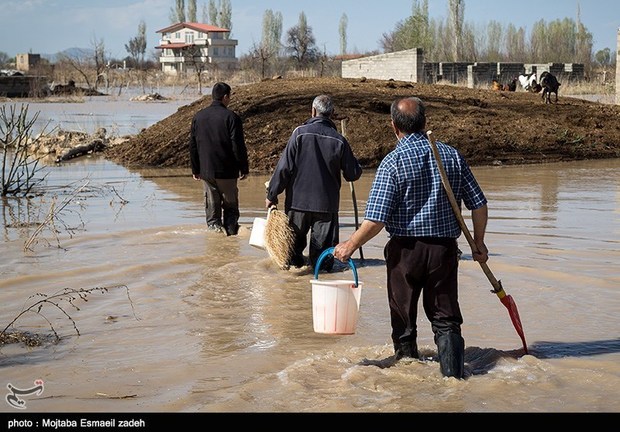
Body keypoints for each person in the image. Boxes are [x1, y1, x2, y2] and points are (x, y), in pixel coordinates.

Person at [333, 96, 489, 379]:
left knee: (403, 318)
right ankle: (453, 380)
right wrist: (479, 243)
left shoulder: (392, 163)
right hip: (443, 252)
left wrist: (350, 245)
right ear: (425, 123)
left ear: (393, 126)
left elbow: (377, 219)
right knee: (446, 319)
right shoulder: (451, 156)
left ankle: (407, 379)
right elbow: (478, 204)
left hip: (404, 253)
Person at [266, 94, 362, 271]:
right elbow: (353, 174)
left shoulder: (299, 134)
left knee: (291, 257)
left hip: (297, 205)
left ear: (312, 111)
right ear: (332, 113)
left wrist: (272, 194)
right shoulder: (339, 140)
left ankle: (294, 292)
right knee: (322, 261)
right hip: (326, 207)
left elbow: (283, 168)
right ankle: (318, 289)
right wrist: (356, 164)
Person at [190, 82, 249, 236]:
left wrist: (196, 169)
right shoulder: (232, 117)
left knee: (212, 213)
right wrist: (244, 168)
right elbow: (238, 146)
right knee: (231, 211)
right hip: (227, 172)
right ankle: (230, 238)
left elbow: (193, 146)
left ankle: (215, 244)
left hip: (206, 171)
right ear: (225, 97)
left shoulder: (199, 117)